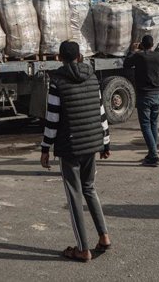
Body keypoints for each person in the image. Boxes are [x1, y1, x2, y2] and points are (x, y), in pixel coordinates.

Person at [40, 41, 112, 261]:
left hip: (70, 145)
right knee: (89, 188)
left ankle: (83, 249)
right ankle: (104, 237)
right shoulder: (92, 76)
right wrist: (106, 142)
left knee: (74, 195)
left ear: (60, 58)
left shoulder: (57, 81)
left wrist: (45, 148)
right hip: (92, 143)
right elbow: (101, 112)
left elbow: (52, 118)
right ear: (80, 57)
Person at [124, 35, 159, 166]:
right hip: (157, 95)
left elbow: (126, 64)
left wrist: (133, 50)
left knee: (146, 125)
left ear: (142, 44)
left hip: (145, 95)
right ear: (152, 44)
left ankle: (154, 155)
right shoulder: (158, 56)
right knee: (153, 124)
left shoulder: (139, 56)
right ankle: (152, 152)